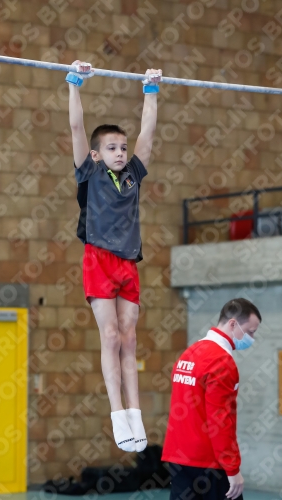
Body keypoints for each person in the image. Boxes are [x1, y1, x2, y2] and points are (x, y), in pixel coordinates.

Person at [67, 61, 162, 452]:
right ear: (95, 153)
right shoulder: (88, 173)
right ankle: (116, 411)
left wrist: (151, 90)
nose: (121, 152)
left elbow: (149, 133)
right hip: (98, 260)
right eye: (112, 148)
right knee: (109, 335)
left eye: (123, 147)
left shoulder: (134, 174)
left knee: (129, 339)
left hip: (128, 262)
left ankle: (135, 415)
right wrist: (74, 83)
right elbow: (75, 127)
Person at [162, 298, 262, 500]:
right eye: (250, 332)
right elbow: (220, 420)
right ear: (233, 323)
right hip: (208, 463)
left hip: (178, 457)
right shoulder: (222, 362)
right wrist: (232, 469)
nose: (252, 338)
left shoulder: (188, 354)